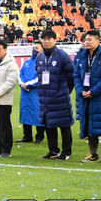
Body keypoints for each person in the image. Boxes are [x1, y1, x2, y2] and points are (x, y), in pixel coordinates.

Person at [73, 30, 101, 164]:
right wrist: (81, 90)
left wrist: (93, 91)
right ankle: (93, 154)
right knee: (89, 125)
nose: (87, 42)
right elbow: (76, 75)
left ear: (98, 41)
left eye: (90, 39)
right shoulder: (82, 56)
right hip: (85, 97)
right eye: (85, 40)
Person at [36, 29, 75, 160]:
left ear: (55, 40)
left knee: (64, 125)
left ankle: (66, 152)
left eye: (49, 39)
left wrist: (63, 91)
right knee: (49, 125)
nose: (46, 42)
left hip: (60, 97)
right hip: (45, 98)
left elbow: (71, 76)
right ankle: (53, 150)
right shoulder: (40, 56)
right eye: (44, 39)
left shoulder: (62, 56)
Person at [17, 41, 44, 143]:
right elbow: (20, 74)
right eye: (33, 48)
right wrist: (22, 84)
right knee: (25, 113)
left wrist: (28, 85)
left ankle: (39, 137)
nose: (34, 50)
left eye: (36, 48)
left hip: (36, 92)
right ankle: (27, 136)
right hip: (25, 93)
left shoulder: (43, 62)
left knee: (38, 114)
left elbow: (41, 77)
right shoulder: (27, 62)